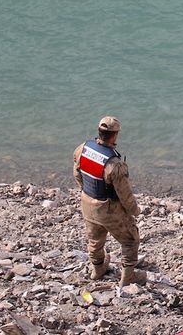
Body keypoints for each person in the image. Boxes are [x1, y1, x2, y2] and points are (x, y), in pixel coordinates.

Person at [73, 116, 145, 286]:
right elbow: (124, 194)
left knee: (95, 240)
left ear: (100, 132)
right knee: (130, 240)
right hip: (108, 208)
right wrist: (135, 211)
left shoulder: (82, 149)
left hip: (87, 203)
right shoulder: (114, 164)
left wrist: (86, 191)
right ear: (115, 135)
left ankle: (98, 269)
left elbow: (77, 174)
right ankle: (128, 278)